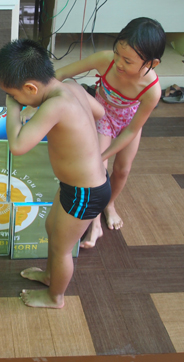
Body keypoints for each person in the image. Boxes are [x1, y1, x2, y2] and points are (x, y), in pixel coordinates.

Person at [24, 17, 164, 248]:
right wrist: (33, 103)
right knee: (98, 173)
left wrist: (104, 155)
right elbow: (60, 74)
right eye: (117, 54)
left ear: (152, 63)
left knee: (123, 170)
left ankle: (110, 204)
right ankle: (95, 223)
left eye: (127, 61)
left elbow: (132, 130)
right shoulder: (105, 61)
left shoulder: (152, 91)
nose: (118, 63)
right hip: (103, 116)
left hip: (129, 123)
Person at [0, 39, 111, 308]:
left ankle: (55, 297)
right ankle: (50, 276)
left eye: (14, 95)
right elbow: (100, 112)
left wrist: (13, 111)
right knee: (51, 229)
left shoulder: (55, 106)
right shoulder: (71, 88)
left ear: (30, 88)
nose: (15, 100)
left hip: (85, 193)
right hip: (77, 186)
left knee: (61, 248)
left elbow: (18, 146)